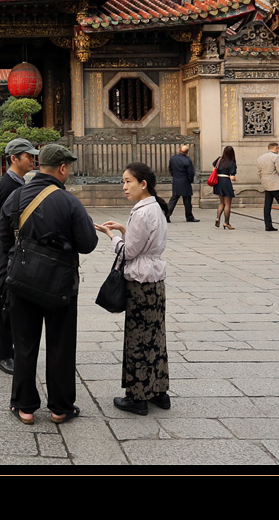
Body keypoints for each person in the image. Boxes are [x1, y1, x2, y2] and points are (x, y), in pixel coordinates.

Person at [0, 143, 98, 425]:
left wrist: (6, 279)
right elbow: (88, 244)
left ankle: (24, 406)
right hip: (60, 285)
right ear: (62, 169)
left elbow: (3, 240)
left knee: (25, 344)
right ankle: (60, 407)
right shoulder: (69, 202)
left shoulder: (15, 198)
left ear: (40, 166)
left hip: (21, 283)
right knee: (61, 345)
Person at [95, 162, 170, 416]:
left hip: (140, 281)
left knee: (138, 338)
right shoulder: (156, 207)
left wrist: (111, 236)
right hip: (155, 279)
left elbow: (128, 251)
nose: (124, 187)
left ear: (143, 184)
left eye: (128, 181)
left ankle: (137, 397)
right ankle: (159, 391)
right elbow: (146, 241)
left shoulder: (141, 211)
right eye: (123, 181)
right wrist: (124, 230)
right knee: (156, 337)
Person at [0, 138, 40, 375]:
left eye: (32, 156)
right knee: (7, 299)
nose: (32, 159)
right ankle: (1, 354)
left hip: (14, 247)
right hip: (9, 248)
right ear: (14, 159)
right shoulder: (9, 185)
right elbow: (5, 223)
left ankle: (7, 350)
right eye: (28, 156)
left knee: (12, 298)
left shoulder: (18, 182)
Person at [166, 144, 199, 223]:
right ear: (187, 152)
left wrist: (174, 176)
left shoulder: (173, 158)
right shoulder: (187, 160)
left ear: (180, 150)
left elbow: (170, 168)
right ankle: (189, 216)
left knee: (174, 199)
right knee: (187, 200)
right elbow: (191, 172)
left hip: (176, 180)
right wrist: (190, 180)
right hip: (185, 181)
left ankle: (167, 214)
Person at [211, 146, 237, 229]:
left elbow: (213, 169)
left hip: (218, 182)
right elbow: (232, 177)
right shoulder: (231, 163)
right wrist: (234, 178)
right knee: (227, 204)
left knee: (221, 202)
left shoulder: (219, 159)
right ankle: (226, 222)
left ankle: (218, 217)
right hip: (226, 181)